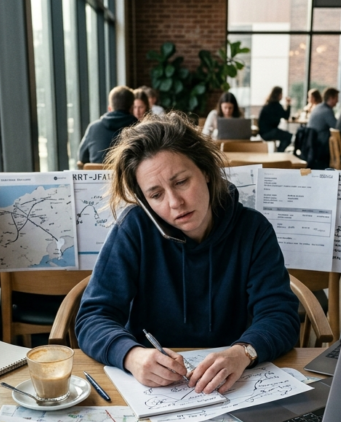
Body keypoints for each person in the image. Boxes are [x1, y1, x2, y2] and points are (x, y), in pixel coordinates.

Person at [75, 113, 300, 393]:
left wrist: (243, 352)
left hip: (233, 385)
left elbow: (281, 315)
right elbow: (93, 317)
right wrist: (131, 355)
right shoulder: (133, 229)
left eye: (181, 181)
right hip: (153, 390)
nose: (175, 202)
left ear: (205, 171)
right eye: (156, 195)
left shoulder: (253, 230)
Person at [78, 86, 139, 164]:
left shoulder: (93, 128)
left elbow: (82, 158)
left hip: (99, 175)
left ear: (110, 108)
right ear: (131, 108)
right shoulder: (140, 128)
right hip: (128, 176)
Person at [258, 86, 293, 152]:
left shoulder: (268, 104)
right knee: (289, 136)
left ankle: (278, 151)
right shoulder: (276, 106)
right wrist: (288, 104)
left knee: (284, 135)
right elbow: (286, 116)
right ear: (279, 94)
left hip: (263, 132)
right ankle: (279, 152)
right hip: (269, 132)